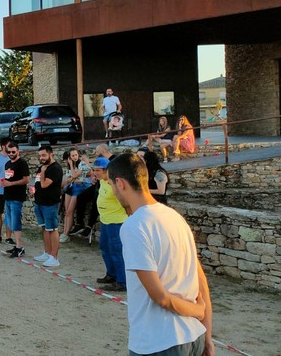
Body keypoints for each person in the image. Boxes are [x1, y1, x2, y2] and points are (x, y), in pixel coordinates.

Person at [108, 153, 214, 356]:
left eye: (112, 185)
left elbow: (160, 297)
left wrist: (197, 311)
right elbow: (202, 284)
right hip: (194, 337)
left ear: (120, 183)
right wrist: (207, 337)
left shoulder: (134, 226)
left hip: (158, 342)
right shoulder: (175, 217)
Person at [92, 156, 128, 292]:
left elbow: (126, 200)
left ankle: (122, 281)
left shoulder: (115, 184)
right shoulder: (102, 181)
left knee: (116, 251)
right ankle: (111, 274)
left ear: (107, 170)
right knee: (105, 247)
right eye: (94, 170)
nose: (95, 173)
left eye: (98, 170)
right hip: (105, 220)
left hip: (116, 221)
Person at [32, 145, 63, 267]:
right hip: (39, 201)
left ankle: (54, 257)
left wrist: (43, 173)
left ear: (51, 154)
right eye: (40, 156)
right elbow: (37, 182)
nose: (41, 158)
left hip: (50, 203)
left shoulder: (55, 169)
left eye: (44, 155)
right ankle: (47, 252)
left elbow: (44, 184)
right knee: (44, 228)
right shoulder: (42, 167)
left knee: (52, 229)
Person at [2, 141, 31, 258]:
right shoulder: (7, 163)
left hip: (17, 197)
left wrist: (11, 183)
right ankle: (17, 245)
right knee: (10, 221)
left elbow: (26, 179)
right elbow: (8, 178)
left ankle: (20, 246)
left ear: (18, 151)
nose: (11, 153)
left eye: (13, 151)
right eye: (9, 152)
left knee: (15, 222)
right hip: (8, 196)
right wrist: (4, 183)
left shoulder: (22, 163)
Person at [60, 148, 92, 243]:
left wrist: (71, 165)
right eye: (72, 156)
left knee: (70, 211)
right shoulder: (70, 166)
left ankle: (66, 233)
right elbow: (69, 178)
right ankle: (65, 232)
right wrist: (72, 177)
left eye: (75, 155)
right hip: (71, 186)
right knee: (67, 211)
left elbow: (74, 175)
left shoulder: (81, 164)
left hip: (79, 187)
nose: (74, 157)